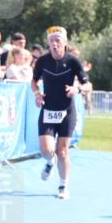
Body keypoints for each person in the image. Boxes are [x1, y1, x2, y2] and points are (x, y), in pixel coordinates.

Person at [32, 26, 88, 200]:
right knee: (47, 150)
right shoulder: (42, 61)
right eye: (51, 41)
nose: (54, 44)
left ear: (64, 43)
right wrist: (37, 94)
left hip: (67, 111)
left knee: (62, 151)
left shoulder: (73, 62)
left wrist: (76, 89)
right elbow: (33, 81)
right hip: (48, 109)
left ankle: (63, 185)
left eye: (58, 41)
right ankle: (50, 162)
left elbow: (88, 85)